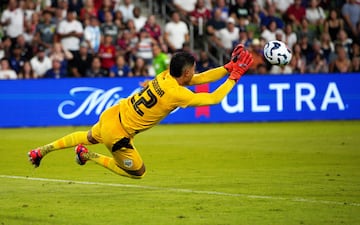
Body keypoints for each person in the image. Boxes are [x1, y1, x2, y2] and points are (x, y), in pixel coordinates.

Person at [28, 44, 254, 179]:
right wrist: (234, 77)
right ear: (184, 73)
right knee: (139, 172)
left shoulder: (165, 75)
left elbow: (200, 78)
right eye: (192, 70)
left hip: (113, 113)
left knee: (87, 135)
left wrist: (226, 67)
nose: (194, 73)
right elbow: (214, 98)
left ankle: (41, 150)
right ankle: (87, 155)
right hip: (118, 134)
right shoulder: (177, 93)